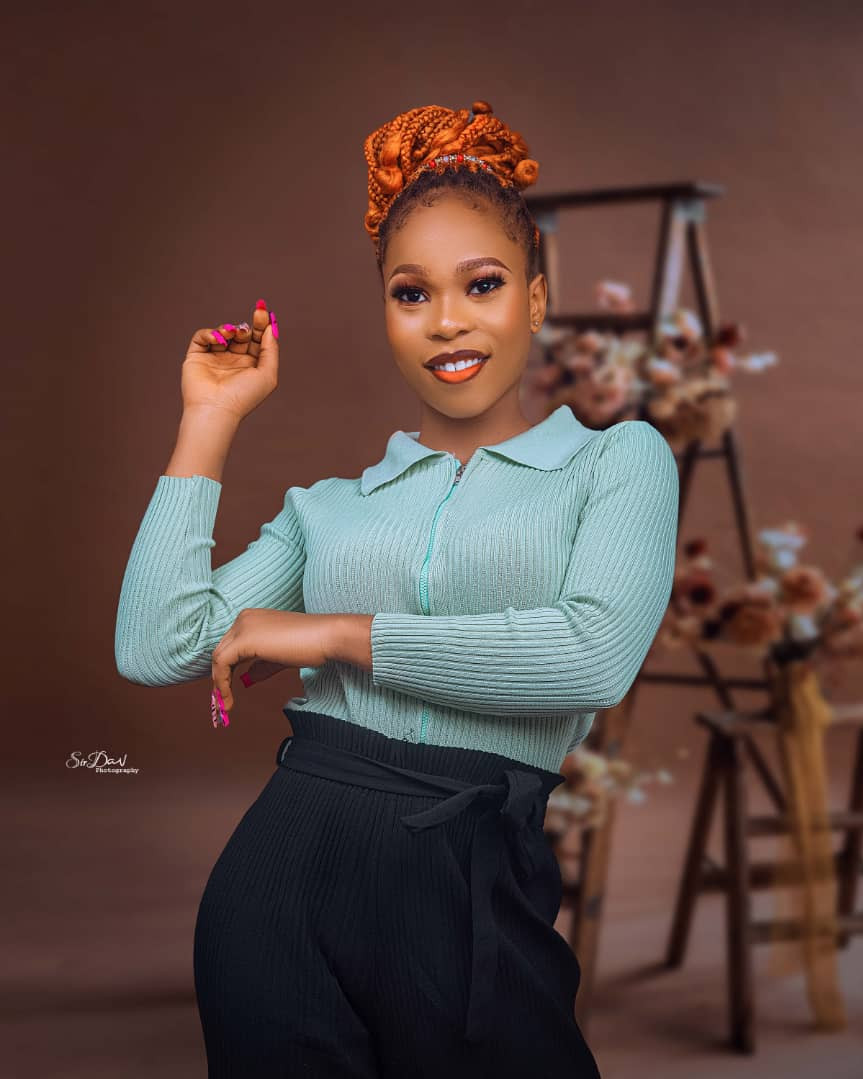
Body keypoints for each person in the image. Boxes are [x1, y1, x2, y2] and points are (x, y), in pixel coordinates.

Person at [114, 98, 679, 1078]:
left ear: (535, 299)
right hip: (280, 883)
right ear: (385, 312)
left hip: (472, 888)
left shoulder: (615, 462)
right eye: (411, 293)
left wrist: (337, 634)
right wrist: (208, 420)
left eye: (482, 284)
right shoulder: (327, 509)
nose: (446, 320)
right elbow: (154, 645)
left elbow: (590, 657)